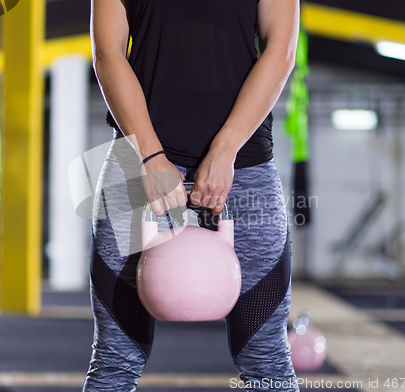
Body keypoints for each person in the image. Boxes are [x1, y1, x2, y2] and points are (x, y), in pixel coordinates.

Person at [83, 0, 300, 390]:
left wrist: (225, 150)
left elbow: (280, 50)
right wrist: (149, 155)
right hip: (137, 166)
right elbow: (108, 54)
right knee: (115, 359)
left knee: (265, 357)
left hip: (242, 170)